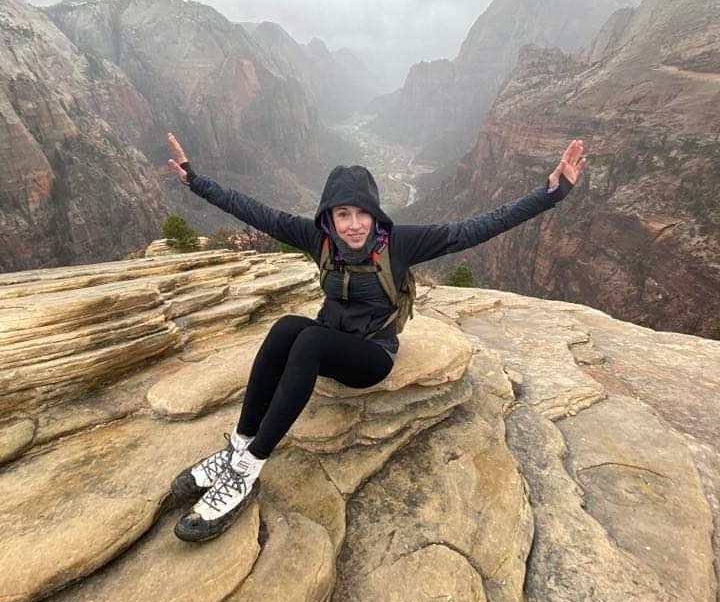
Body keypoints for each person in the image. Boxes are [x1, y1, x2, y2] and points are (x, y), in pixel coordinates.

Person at [166, 132, 586, 542]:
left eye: (362, 213)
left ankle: (248, 468)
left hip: (371, 355)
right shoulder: (319, 239)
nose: (353, 225)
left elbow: (478, 227)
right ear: (328, 217)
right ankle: (238, 446)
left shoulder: (400, 244)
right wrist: (195, 181)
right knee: (285, 328)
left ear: (375, 213)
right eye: (343, 214)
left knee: (308, 341)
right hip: (330, 339)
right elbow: (255, 212)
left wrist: (550, 193)